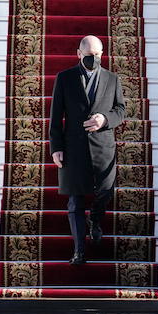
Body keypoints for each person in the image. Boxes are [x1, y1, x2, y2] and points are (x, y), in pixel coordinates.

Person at [49, 35, 127, 265]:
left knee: (106, 190)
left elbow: (121, 110)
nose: (94, 59)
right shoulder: (64, 78)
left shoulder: (112, 80)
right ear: (78, 54)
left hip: (103, 145)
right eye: (89, 55)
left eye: (98, 55)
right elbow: (56, 116)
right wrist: (56, 147)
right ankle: (79, 251)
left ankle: (95, 218)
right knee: (75, 201)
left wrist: (105, 119)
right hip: (73, 146)